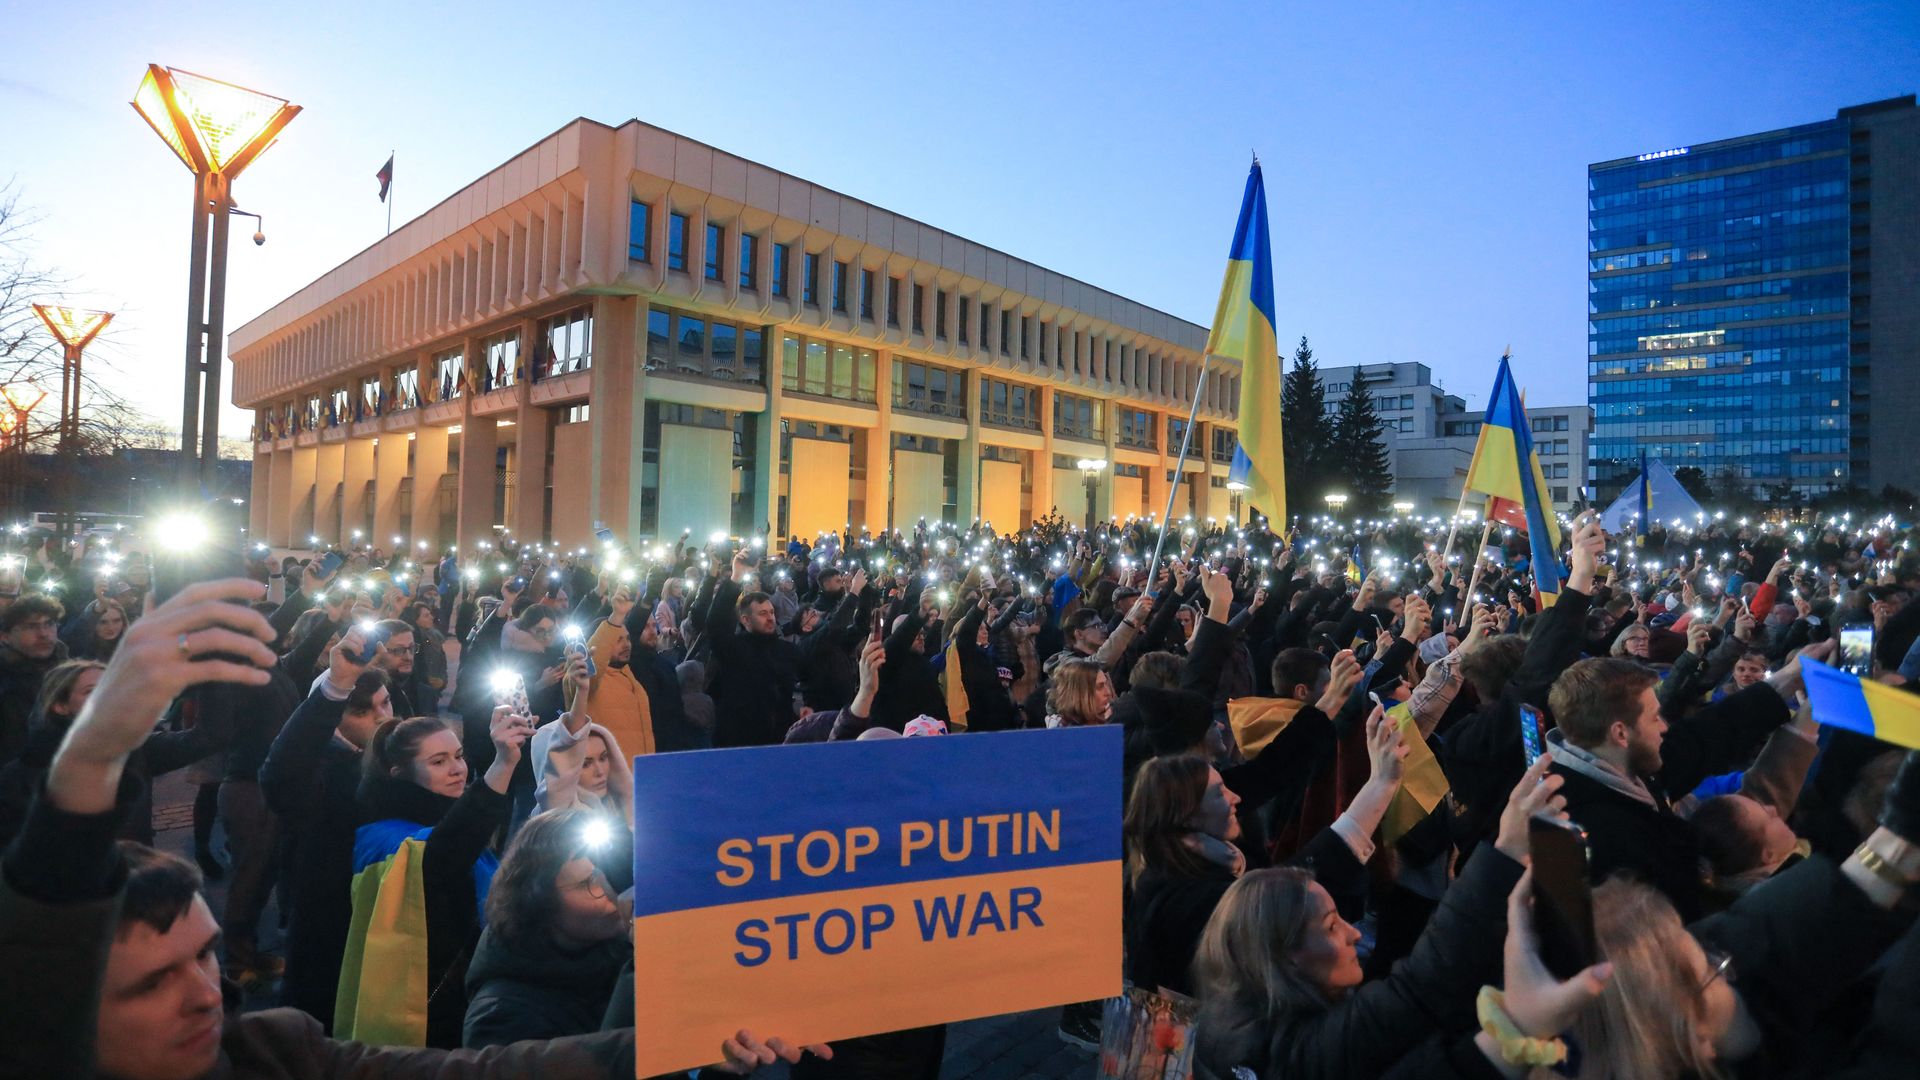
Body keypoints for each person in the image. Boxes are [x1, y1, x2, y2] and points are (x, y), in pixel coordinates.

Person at [0, 578, 826, 1078]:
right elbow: (325, 795)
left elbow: (501, 1071)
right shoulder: (358, 813)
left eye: (210, 957)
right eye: (151, 982)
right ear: (65, 1000)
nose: (207, 994)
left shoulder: (277, 1057)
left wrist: (682, 1043)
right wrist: (93, 754)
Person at [1192, 754, 1567, 1080]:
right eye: (1331, 926)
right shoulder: (1305, 1053)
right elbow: (1421, 987)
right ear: (1284, 954)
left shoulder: (1224, 1026)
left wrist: (1382, 782)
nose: (1354, 934)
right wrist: (1505, 853)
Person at [1122, 705, 1404, 997]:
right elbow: (1279, 901)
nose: (1236, 797)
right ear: (1186, 816)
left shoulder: (1210, 861)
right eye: (1219, 792)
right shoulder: (1187, 898)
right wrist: (1380, 784)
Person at [1543, 641, 1829, 919]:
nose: (1665, 727)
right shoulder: (1609, 842)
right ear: (1621, 734)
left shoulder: (1618, 763)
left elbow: (1705, 735)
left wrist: (1791, 675)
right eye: (1655, 718)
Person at [346, 700, 528, 1048]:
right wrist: (503, 764)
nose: (458, 769)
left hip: (468, 990)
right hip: (422, 1005)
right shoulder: (380, 835)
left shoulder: (446, 817)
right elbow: (444, 856)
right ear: (399, 773)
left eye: (458, 756)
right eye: (438, 762)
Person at [258, 638, 393, 1031]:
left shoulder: (386, 756)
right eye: (365, 711)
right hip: (327, 917)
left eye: (385, 703)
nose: (383, 717)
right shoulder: (316, 767)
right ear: (334, 716)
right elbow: (278, 771)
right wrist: (335, 686)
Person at [462, 809, 630, 1049]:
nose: (612, 892)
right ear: (536, 899)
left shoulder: (617, 948)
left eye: (611, 875)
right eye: (588, 883)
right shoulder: (501, 1018)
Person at [0, 593, 67, 767]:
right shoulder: (6, 683)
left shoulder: (68, 673)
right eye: (31, 626)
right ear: (5, 636)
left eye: (49, 624)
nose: (43, 634)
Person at [1043, 656, 1113, 727]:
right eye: (1100, 687)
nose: (1108, 693)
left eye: (1106, 685)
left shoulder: (1115, 720)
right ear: (1078, 694)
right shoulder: (1059, 732)